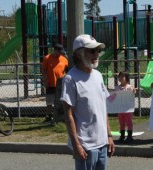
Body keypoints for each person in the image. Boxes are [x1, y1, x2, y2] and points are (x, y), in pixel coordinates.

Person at [60, 34, 115, 170]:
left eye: (98, 50)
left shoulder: (98, 76)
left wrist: (109, 136)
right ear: (78, 54)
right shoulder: (70, 79)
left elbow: (103, 108)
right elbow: (69, 116)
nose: (96, 54)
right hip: (85, 146)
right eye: (92, 51)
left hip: (102, 143)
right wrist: (76, 145)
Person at [42, 43, 68, 123]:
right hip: (50, 83)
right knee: (49, 101)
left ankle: (61, 116)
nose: (60, 54)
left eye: (61, 52)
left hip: (61, 84)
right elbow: (43, 70)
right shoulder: (47, 58)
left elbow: (67, 70)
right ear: (55, 50)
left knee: (62, 100)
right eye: (59, 52)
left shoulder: (64, 59)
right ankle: (49, 116)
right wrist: (45, 81)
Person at [115, 72, 136, 144]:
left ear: (126, 78)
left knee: (129, 122)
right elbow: (114, 96)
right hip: (120, 109)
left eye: (122, 77)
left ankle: (129, 136)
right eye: (119, 77)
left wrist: (133, 90)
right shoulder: (117, 88)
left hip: (128, 109)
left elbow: (133, 92)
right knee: (121, 122)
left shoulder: (129, 87)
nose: (120, 78)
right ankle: (122, 136)